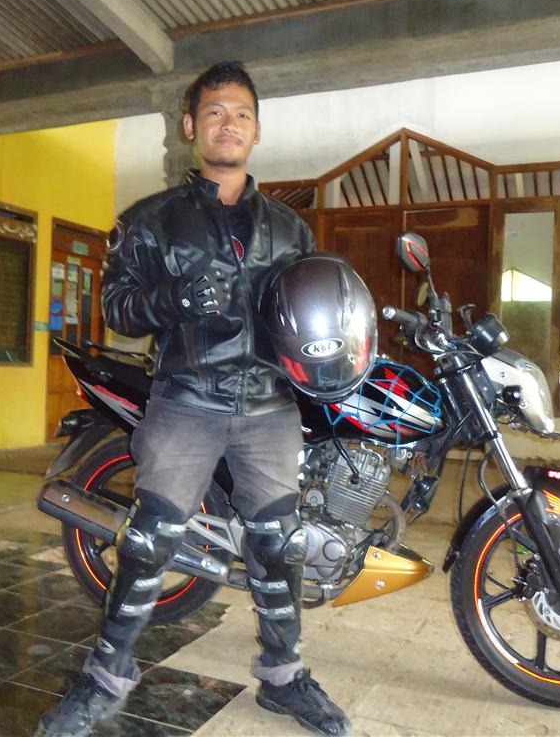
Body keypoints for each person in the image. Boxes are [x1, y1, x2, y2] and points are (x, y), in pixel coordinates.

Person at [35, 61, 352, 737]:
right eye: (213, 112)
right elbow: (117, 309)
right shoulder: (150, 220)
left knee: (278, 546)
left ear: (257, 129)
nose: (227, 123)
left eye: (240, 113)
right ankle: (104, 678)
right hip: (185, 401)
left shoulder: (290, 229)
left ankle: (283, 677)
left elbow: (308, 313)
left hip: (268, 407)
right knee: (147, 542)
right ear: (190, 126)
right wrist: (172, 298)